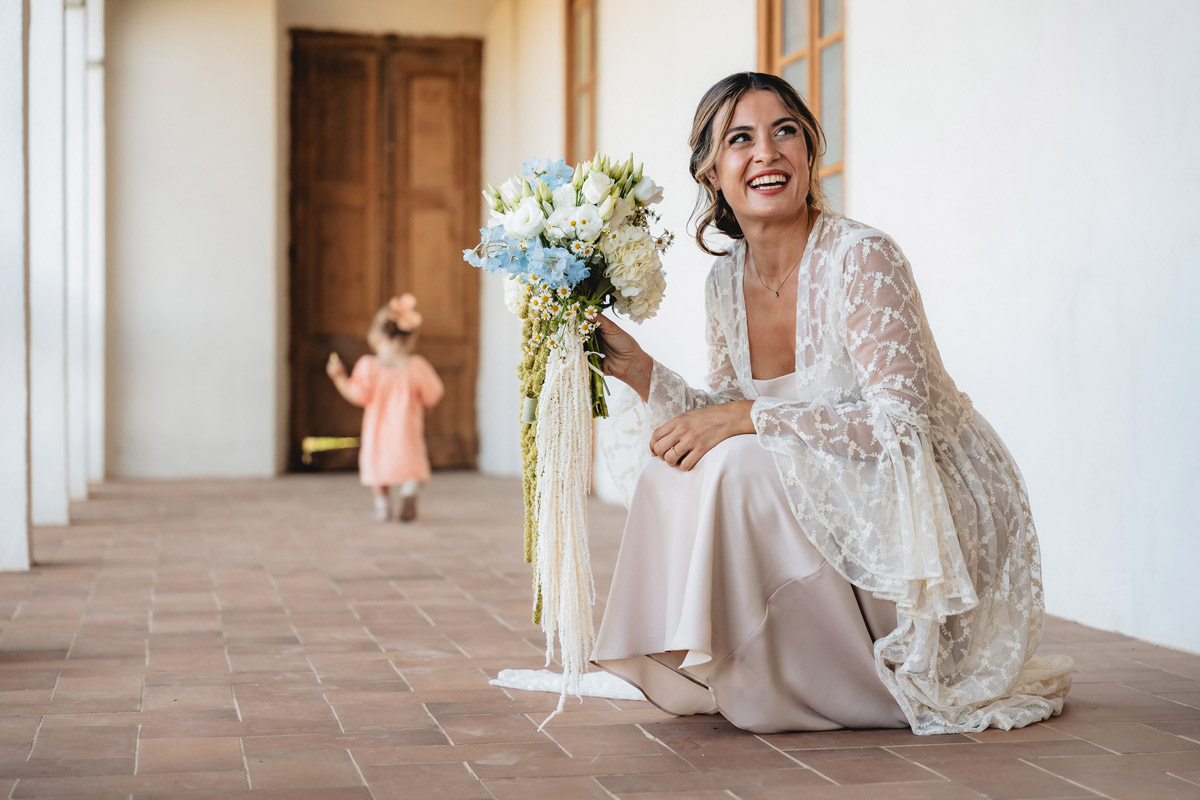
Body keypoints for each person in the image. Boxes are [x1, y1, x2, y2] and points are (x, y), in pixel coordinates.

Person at [591, 72, 1073, 735]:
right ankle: (716, 665)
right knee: (672, 469)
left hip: (920, 506)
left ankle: (820, 678)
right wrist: (641, 371)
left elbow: (899, 428)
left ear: (810, 154)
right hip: (830, 490)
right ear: (712, 174)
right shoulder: (724, 280)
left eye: (784, 131)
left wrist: (742, 419)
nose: (767, 152)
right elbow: (730, 411)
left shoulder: (863, 259)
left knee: (737, 468)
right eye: (741, 139)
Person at [326, 294, 444, 522]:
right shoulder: (416, 366)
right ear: (409, 339)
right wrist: (425, 406)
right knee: (411, 466)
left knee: (376, 468)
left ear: (376, 336)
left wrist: (339, 378)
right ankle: (409, 490)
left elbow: (357, 394)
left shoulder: (368, 366)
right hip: (407, 431)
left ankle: (381, 504)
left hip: (377, 433)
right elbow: (434, 393)